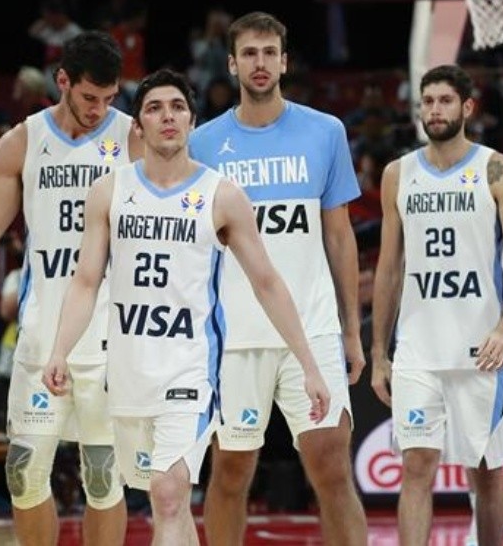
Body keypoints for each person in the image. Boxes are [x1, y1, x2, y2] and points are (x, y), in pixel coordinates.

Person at [42, 69, 331, 545]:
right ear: (138, 126)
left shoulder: (222, 195)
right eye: (154, 109)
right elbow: (86, 282)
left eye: (177, 107)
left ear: (193, 122)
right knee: (161, 498)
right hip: (129, 370)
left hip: (190, 370)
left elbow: (267, 283)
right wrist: (59, 350)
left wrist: (309, 365)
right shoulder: (109, 192)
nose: (168, 116)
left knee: (169, 493)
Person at [0, 30, 138, 545]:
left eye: (109, 99)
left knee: (103, 478)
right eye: (90, 97)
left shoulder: (132, 137)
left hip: (110, 336)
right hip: (41, 334)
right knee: (22, 473)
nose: (99, 110)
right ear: (62, 81)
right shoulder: (22, 142)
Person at [190, 11, 367, 546]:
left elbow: (339, 236)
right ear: (231, 64)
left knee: (332, 466)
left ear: (285, 61)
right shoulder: (202, 144)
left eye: (269, 52)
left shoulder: (326, 132)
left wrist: (351, 331)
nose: (260, 63)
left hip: (311, 329)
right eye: (249, 53)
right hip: (236, 337)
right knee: (231, 472)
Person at [370, 64, 503, 546]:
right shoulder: (398, 174)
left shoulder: (497, 168)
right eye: (428, 101)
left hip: (482, 348)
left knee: (485, 470)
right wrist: (379, 352)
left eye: (445, 101)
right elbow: (389, 268)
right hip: (418, 349)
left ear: (467, 107)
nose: (435, 110)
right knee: (416, 466)